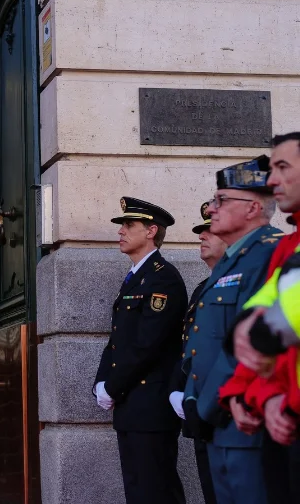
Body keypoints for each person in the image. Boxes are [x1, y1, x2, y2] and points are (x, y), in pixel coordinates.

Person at [181, 156, 281, 504]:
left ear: (253, 208)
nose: (211, 208)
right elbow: (203, 340)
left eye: (221, 200)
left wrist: (204, 405)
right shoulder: (231, 260)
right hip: (216, 421)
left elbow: (247, 344)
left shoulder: (270, 256)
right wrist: (192, 397)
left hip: (244, 421)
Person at [220, 132, 300, 503]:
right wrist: (248, 395)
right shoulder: (289, 245)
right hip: (281, 417)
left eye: (283, 167)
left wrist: (269, 398)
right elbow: (255, 319)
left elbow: (278, 325)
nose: (271, 180)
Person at [93, 197, 188, 504]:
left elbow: (148, 344)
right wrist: (100, 382)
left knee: (155, 491)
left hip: (150, 406)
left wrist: (113, 386)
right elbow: (117, 339)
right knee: (139, 491)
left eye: (129, 225)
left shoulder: (163, 278)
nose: (121, 231)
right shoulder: (135, 278)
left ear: (151, 231)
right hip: (132, 405)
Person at [169, 202, 226, 504]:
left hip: (227, 414)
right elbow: (189, 349)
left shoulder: (244, 284)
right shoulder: (201, 288)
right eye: (200, 231)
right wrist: (181, 391)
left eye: (209, 231)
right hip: (200, 412)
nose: (201, 236)